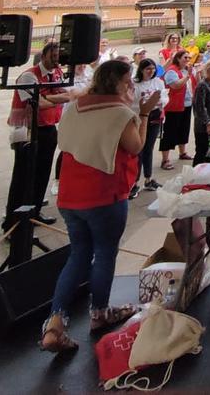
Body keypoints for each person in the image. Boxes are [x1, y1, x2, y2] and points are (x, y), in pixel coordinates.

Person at [40, 60, 161, 355]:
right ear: (118, 84)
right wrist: (144, 113)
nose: (131, 85)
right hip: (104, 194)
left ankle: (55, 321)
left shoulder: (78, 106)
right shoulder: (119, 113)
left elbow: (64, 141)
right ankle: (100, 312)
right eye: (127, 82)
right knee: (105, 254)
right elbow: (135, 147)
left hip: (71, 194)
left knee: (79, 254)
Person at [3, 42, 71, 230]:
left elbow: (66, 94)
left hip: (48, 128)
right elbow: (39, 103)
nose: (58, 59)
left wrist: (54, 99)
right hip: (28, 131)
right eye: (54, 55)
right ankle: (13, 222)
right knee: (23, 177)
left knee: (42, 173)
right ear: (44, 56)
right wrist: (56, 99)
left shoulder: (56, 74)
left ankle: (35, 211)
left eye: (60, 56)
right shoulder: (28, 76)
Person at [131, 59, 167, 197]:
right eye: (147, 69)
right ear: (141, 70)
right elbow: (133, 101)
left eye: (152, 68)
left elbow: (164, 97)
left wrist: (159, 102)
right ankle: (134, 182)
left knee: (149, 148)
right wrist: (146, 103)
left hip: (155, 115)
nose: (150, 71)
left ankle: (148, 178)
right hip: (140, 117)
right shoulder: (135, 84)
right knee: (139, 148)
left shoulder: (158, 82)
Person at [158, 50, 193, 169]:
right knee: (169, 132)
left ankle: (182, 152)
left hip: (186, 104)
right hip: (173, 106)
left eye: (189, 58)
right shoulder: (171, 71)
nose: (187, 60)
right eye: (185, 57)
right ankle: (165, 159)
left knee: (184, 129)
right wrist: (187, 76)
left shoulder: (185, 70)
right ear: (178, 58)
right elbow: (175, 85)